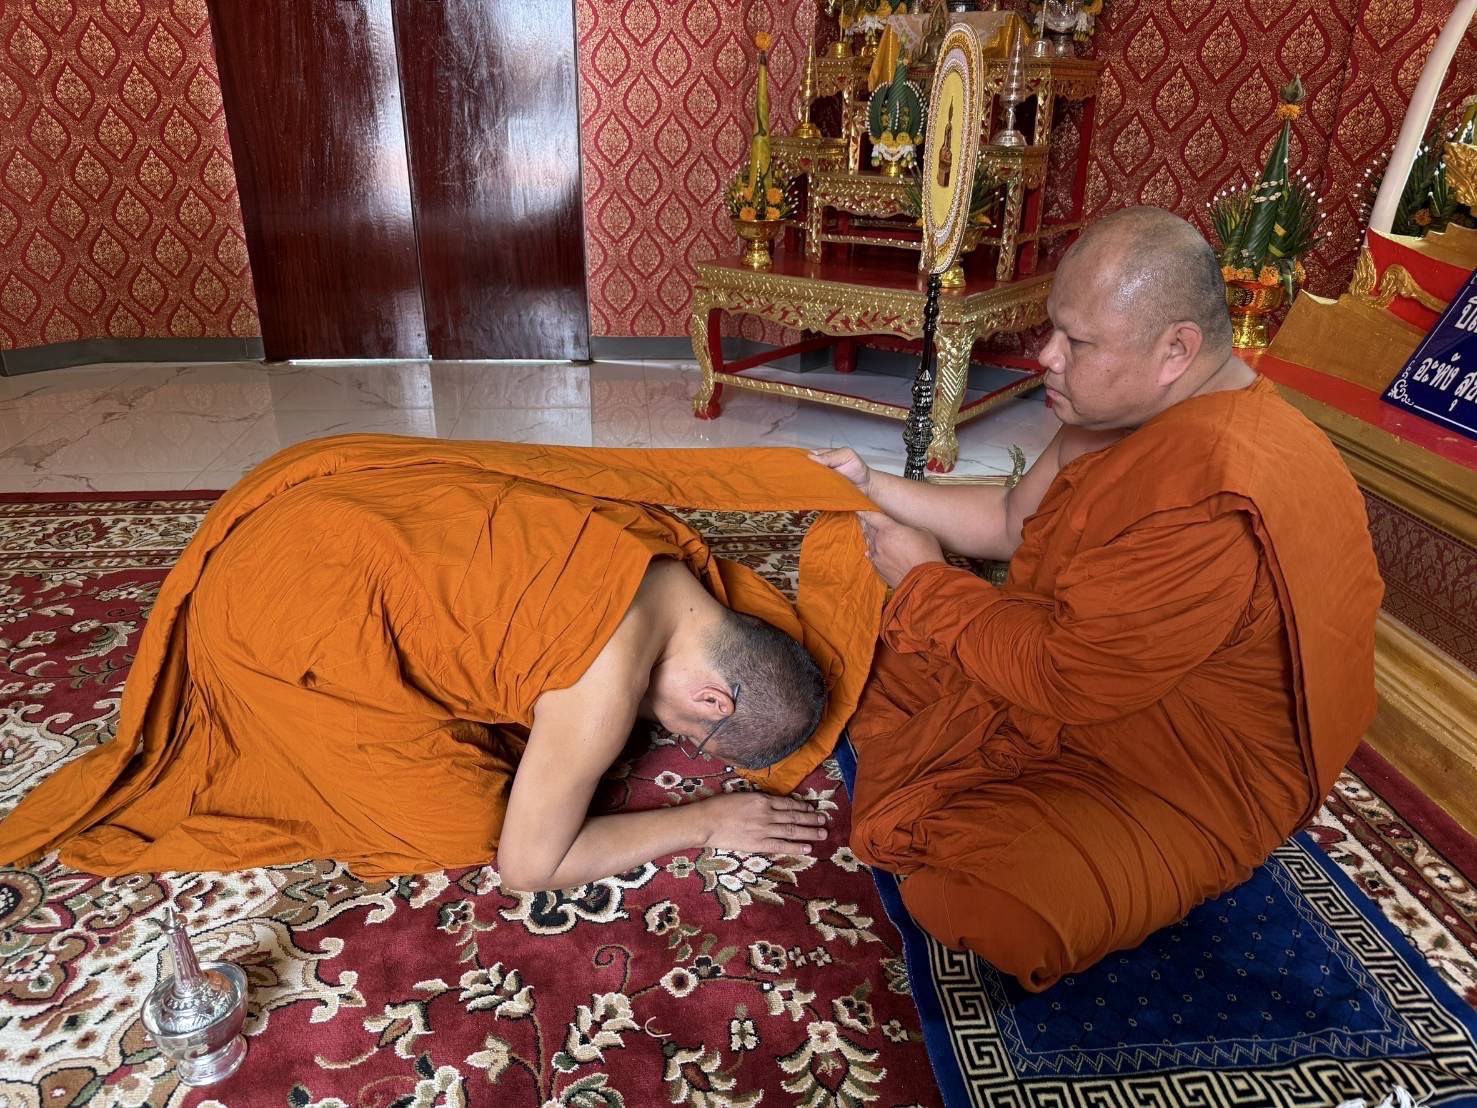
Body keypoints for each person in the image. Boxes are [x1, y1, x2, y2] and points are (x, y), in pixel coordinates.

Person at [813, 206, 1384, 991]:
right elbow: (1010, 520)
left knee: (982, 908)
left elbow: (1068, 680)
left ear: (1174, 350)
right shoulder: (1120, 414)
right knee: (863, 636)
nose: (1044, 357)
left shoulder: (1210, 489)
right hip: (1089, 672)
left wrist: (924, 583)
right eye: (1052, 329)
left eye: (1076, 343)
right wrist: (872, 483)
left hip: (1185, 773)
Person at [0, 438, 888, 884]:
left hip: (319, 509)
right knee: (461, 824)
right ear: (713, 695)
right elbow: (527, 867)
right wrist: (705, 821)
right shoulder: (599, 687)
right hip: (267, 608)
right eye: (694, 737)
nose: (673, 742)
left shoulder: (660, 547)